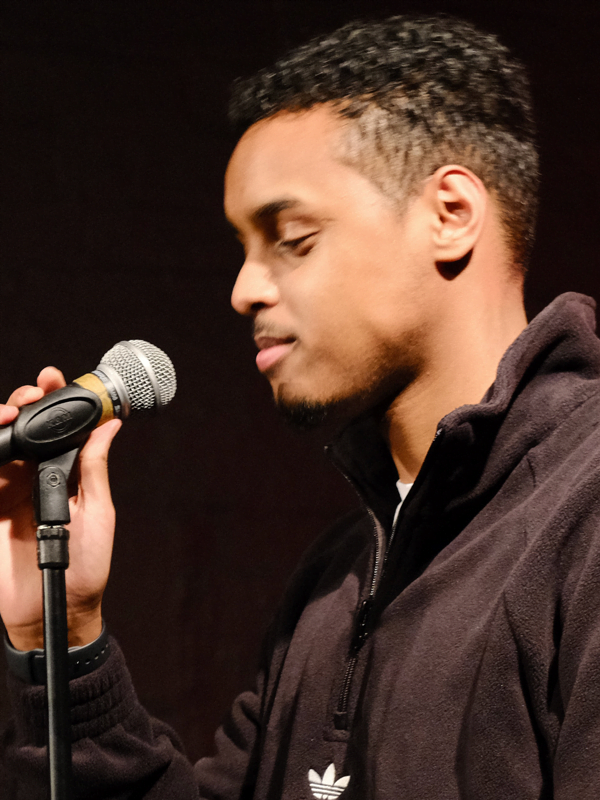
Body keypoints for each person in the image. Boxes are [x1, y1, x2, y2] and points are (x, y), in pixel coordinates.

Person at [1, 12, 599, 799]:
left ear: (450, 215)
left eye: (293, 236)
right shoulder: (338, 577)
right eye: (243, 248)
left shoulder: (581, 514)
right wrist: (64, 634)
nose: (244, 289)